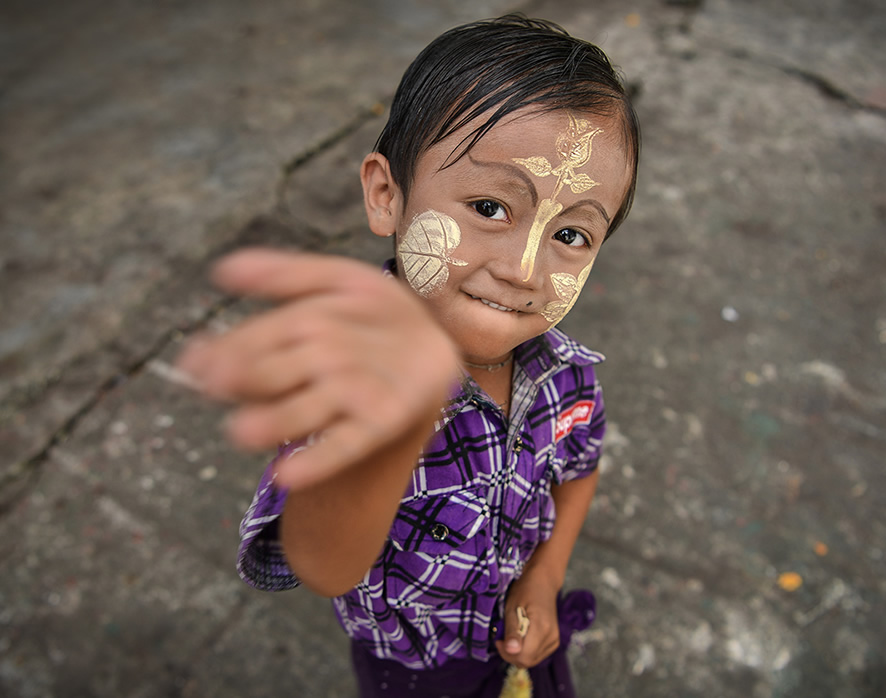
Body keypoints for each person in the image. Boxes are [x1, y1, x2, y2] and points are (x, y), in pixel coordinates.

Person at [177, 14, 640, 698]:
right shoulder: (352, 380)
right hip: (415, 676)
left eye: (571, 233)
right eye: (489, 206)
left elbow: (580, 467)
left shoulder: (564, 375)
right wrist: (397, 425)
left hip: (522, 648)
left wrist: (545, 576)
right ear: (386, 194)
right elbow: (323, 565)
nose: (524, 269)